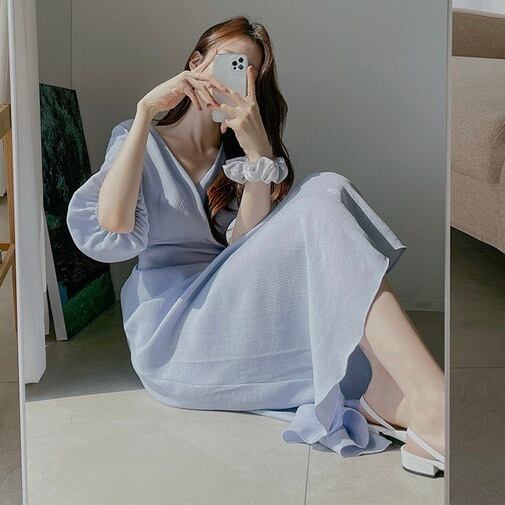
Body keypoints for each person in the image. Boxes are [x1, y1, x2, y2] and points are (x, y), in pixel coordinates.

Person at [66, 16, 444, 476]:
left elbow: (247, 248)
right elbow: (114, 224)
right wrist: (145, 112)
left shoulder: (239, 160)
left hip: (231, 312)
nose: (237, 76)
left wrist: (259, 154)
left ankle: (419, 400)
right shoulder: (135, 136)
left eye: (249, 71)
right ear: (195, 63)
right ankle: (431, 404)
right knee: (324, 195)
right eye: (229, 62)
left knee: (326, 188)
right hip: (174, 337)